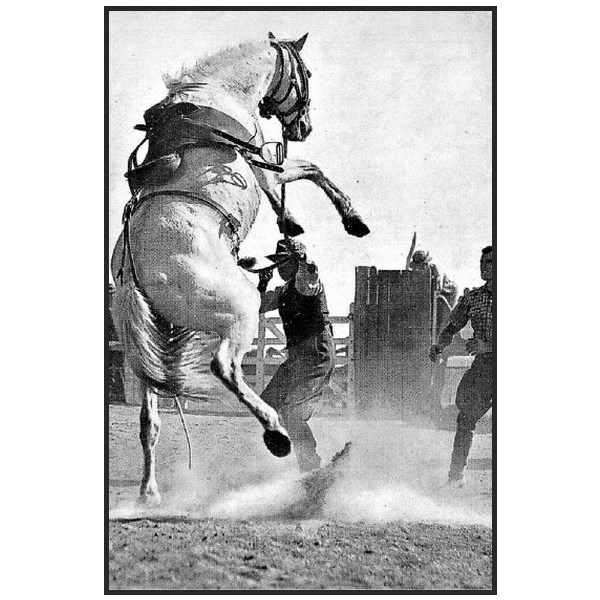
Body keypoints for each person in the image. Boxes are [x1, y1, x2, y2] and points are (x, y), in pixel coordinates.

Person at [257, 238, 335, 472]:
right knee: (267, 404)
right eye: (277, 262)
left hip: (316, 357)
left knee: (292, 411)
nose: (280, 267)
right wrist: (262, 285)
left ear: (295, 261)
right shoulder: (284, 291)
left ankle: (310, 466)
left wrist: (303, 258)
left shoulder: (305, 281)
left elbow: (311, 274)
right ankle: (303, 458)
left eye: (284, 261)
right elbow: (259, 305)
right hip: (298, 361)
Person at [429, 246, 493, 486]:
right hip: (486, 367)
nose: (483, 266)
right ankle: (455, 477)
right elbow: (452, 326)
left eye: (489, 262)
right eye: (482, 261)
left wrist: (487, 345)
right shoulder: (473, 298)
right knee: (466, 417)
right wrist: (439, 345)